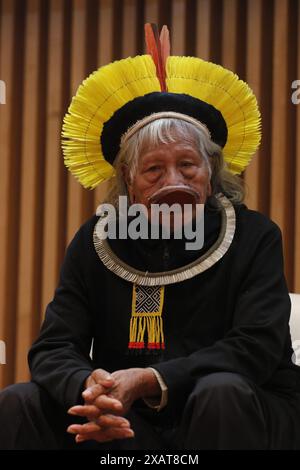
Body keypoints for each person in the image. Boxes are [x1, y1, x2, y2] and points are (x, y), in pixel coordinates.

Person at [0, 24, 300, 450]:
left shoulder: (254, 236)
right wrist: (90, 389)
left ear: (211, 175)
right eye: (154, 170)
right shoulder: (96, 241)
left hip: (235, 411)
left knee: (221, 391)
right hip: (127, 422)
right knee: (20, 400)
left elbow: (257, 346)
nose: (172, 181)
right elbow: (53, 346)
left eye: (188, 166)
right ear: (129, 180)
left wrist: (150, 380)